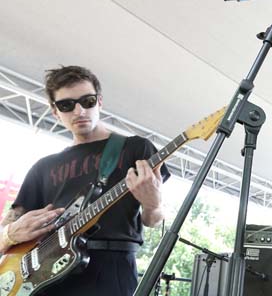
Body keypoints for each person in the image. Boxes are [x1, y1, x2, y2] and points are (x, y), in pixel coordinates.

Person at [0, 65, 169, 296]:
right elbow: (8, 226)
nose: (79, 111)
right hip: (43, 277)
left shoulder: (135, 148)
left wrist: (153, 204)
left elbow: (154, 221)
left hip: (110, 272)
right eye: (66, 105)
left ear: (99, 101)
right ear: (54, 111)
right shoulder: (42, 167)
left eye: (87, 101)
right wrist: (8, 234)